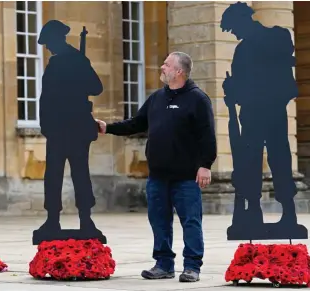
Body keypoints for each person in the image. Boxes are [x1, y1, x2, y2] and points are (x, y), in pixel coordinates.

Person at [96, 52, 216, 282]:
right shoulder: (157, 98)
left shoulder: (198, 99)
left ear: (179, 71)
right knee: (159, 221)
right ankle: (163, 264)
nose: (162, 67)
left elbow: (207, 136)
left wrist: (205, 166)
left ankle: (192, 267)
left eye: (167, 64)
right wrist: (107, 128)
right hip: (157, 176)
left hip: (186, 177)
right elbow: (136, 124)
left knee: (191, 221)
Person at [221, 1, 300, 233]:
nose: (234, 34)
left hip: (267, 110)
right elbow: (245, 84)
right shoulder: (252, 46)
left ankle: (286, 212)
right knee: (255, 161)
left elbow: (260, 79)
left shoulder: (274, 37)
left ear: (243, 21)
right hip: (259, 111)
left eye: (234, 28)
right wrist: (232, 88)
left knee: (275, 160)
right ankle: (256, 210)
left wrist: (235, 88)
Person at [35, 20, 104, 235]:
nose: (47, 47)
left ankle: (86, 220)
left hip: (74, 127)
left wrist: (82, 75)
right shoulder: (59, 63)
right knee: (54, 176)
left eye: (48, 43)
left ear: (57, 39)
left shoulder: (78, 61)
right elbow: (45, 99)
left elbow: (96, 87)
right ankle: (52, 220)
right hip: (58, 128)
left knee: (79, 174)